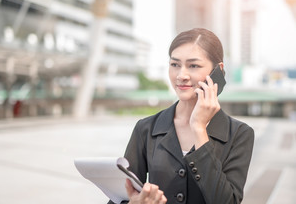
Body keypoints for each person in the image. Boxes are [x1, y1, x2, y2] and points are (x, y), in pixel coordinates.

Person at [108, 28, 254, 204]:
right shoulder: (146, 128)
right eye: (175, 64)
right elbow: (121, 196)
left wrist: (199, 129)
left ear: (218, 70)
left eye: (193, 65)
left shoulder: (239, 134)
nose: (181, 75)